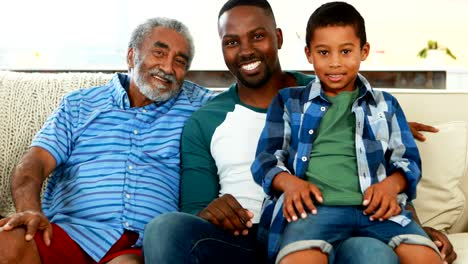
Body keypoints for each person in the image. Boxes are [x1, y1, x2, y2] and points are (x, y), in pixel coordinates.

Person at [143, 1, 455, 264]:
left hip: (338, 225)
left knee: (371, 251)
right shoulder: (206, 119)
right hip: (251, 235)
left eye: (258, 36)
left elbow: (381, 155)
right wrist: (211, 211)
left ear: (278, 38)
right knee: (164, 229)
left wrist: (412, 224)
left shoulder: (338, 90)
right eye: (232, 41)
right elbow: (194, 207)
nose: (246, 50)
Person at [0, 17, 214, 264]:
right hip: (69, 232)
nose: (167, 68)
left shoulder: (198, 105)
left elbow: (247, 98)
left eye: (179, 61)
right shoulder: (79, 104)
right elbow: (34, 163)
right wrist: (29, 210)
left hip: (139, 243)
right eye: (159, 53)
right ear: (132, 56)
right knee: (6, 243)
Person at [251, 2, 442, 264]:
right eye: (324, 52)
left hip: (376, 210)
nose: (335, 63)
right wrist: (290, 184)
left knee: (427, 257)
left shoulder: (386, 104)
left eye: (345, 51)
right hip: (314, 211)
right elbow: (266, 159)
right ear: (309, 54)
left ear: (364, 51)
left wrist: (390, 186)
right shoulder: (289, 101)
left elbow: (407, 159)